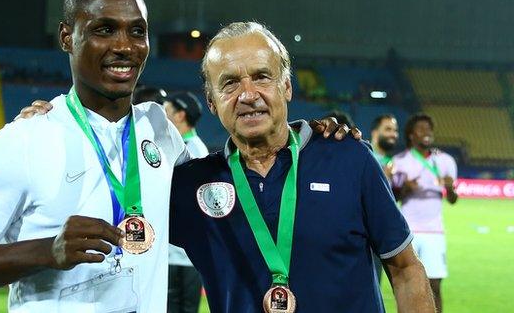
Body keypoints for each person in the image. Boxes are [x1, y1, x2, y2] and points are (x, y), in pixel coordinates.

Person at [0, 0, 356, 312]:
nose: (124, 46)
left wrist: (312, 136)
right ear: (66, 37)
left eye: (137, 32)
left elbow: (237, 183)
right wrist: (48, 251)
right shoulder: (26, 139)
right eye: (104, 30)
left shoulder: (159, 129)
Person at [169, 22, 435, 312]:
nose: (248, 94)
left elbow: (406, 270)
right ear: (211, 101)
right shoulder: (191, 185)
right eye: (230, 83)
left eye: (262, 77)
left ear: (286, 87)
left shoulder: (348, 158)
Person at [392, 113, 458, 313]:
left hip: (434, 231)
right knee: (406, 285)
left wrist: (451, 188)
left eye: (429, 129)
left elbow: (453, 200)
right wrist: (405, 189)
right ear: (411, 135)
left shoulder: (445, 161)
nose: (427, 133)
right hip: (408, 231)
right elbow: (392, 198)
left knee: (435, 286)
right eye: (421, 129)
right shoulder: (400, 161)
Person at [163, 92, 208, 313]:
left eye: (166, 111)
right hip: (176, 254)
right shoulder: (185, 146)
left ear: (180, 116)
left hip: (184, 256)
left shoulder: (193, 151)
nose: (161, 116)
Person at [369, 113, 399, 282]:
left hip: (380, 237)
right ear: (375, 133)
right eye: (387, 129)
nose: (393, 134)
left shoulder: (393, 163)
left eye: (395, 130)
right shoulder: (364, 156)